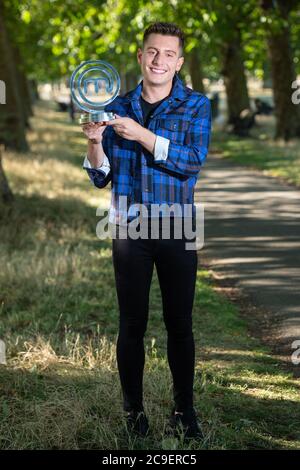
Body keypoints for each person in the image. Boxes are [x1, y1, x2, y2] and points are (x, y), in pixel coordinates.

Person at [81, 22, 211, 441]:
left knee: (180, 324)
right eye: (152, 52)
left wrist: (141, 135)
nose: (160, 61)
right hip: (129, 228)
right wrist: (94, 142)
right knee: (131, 324)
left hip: (178, 226)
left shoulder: (195, 106)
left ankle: (184, 411)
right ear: (140, 56)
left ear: (179, 62)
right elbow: (101, 179)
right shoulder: (114, 105)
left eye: (169, 54)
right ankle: (133, 413)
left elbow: (192, 161)